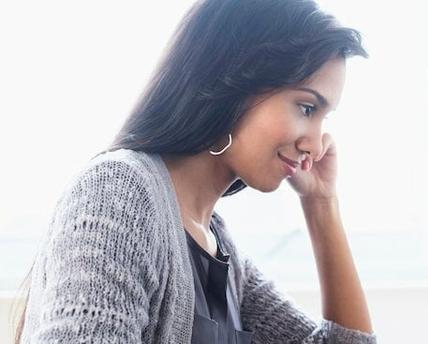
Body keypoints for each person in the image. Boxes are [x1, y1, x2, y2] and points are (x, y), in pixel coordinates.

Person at [14, 0, 375, 343]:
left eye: (324, 118)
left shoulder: (220, 248)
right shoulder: (117, 193)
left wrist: (321, 204)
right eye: (307, 108)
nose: (315, 144)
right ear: (237, 80)